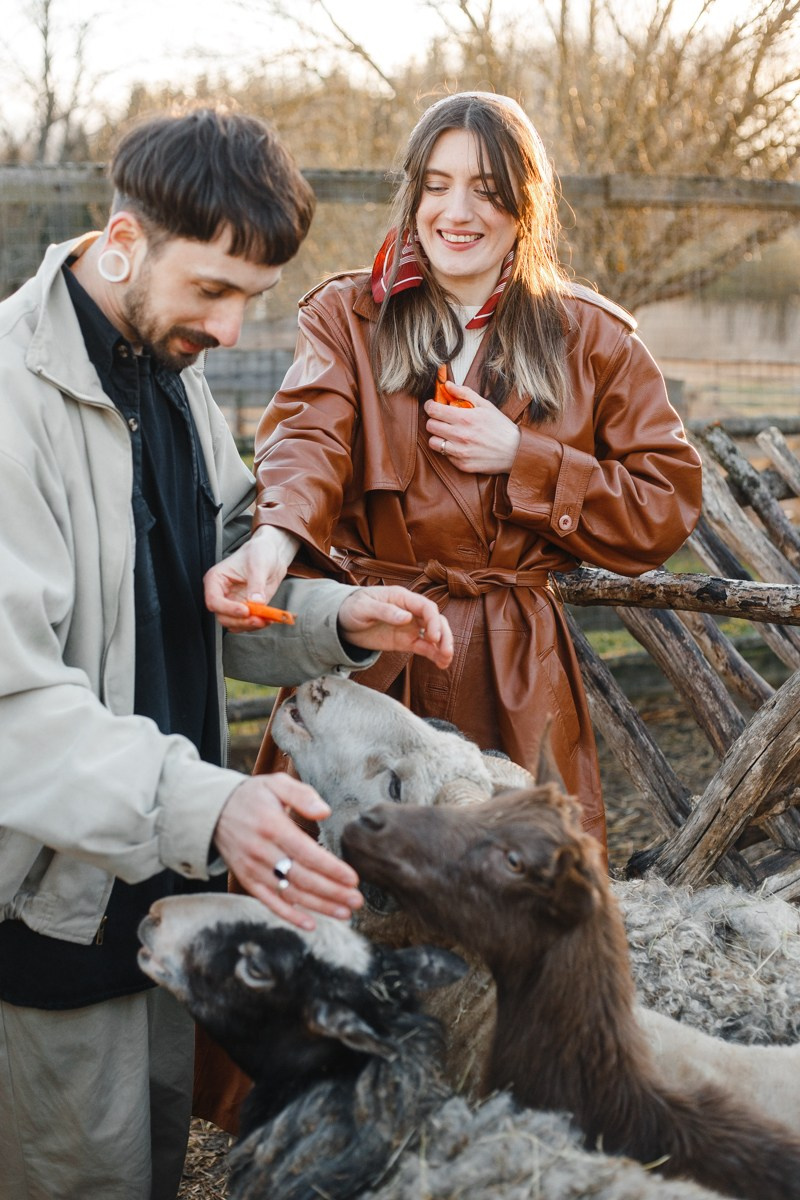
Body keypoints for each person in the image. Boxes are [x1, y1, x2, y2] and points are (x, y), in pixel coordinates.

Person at [0, 106, 452, 1200]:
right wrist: (211, 808)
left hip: (154, 868)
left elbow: (204, 584)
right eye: (213, 289)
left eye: (250, 296)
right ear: (120, 242)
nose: (234, 328)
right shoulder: (9, 407)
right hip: (49, 906)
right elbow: (14, 707)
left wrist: (329, 622)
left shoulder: (164, 370)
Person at [205, 91, 703, 853]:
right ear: (414, 194)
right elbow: (307, 439)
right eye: (436, 185)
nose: (456, 211)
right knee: (335, 897)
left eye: (485, 189)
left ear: (524, 206)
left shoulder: (595, 338)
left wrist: (524, 460)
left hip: (516, 669)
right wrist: (274, 539)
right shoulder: (345, 316)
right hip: (374, 654)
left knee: (519, 900)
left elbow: (665, 503)